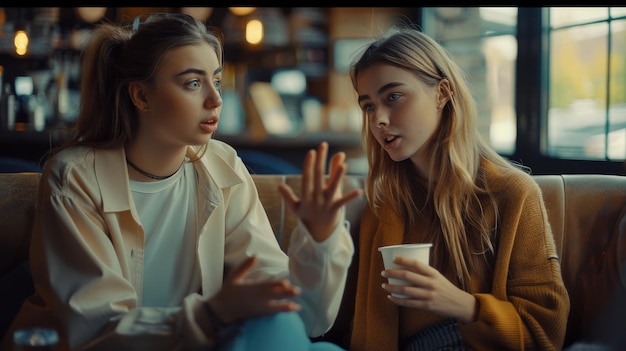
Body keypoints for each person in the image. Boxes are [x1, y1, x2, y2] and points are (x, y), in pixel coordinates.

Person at [1, 13, 361, 351]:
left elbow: (302, 317)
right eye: (193, 83)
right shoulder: (75, 176)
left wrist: (320, 240)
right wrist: (212, 314)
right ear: (141, 95)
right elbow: (95, 328)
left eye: (216, 81)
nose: (215, 99)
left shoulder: (222, 164)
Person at [302, 25, 570, 350]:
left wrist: (462, 305)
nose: (378, 120)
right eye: (369, 106)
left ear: (442, 93)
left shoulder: (512, 193)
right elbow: (350, 325)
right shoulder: (385, 204)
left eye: (394, 97)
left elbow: (546, 332)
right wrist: (319, 240)